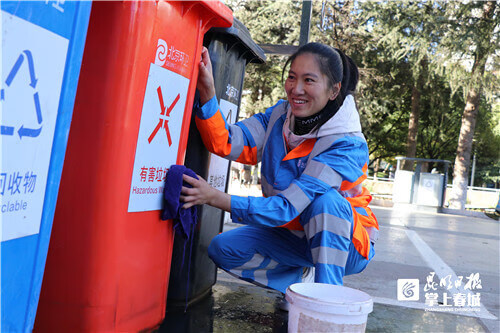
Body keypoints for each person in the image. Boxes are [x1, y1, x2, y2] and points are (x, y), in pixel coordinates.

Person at [180, 42, 379, 306]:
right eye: (292, 77)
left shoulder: (345, 144)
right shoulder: (279, 116)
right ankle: (301, 284)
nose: (296, 89)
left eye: (309, 80)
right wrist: (208, 94)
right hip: (294, 235)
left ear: (334, 90)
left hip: (347, 243)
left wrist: (214, 197)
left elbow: (286, 207)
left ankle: (328, 302)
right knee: (223, 248)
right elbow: (227, 141)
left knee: (326, 202)